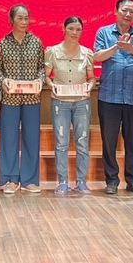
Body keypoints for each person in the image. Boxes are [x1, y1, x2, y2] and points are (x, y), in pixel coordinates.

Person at [94, 0, 133, 195]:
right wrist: (116, 47)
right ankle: (111, 180)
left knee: (132, 140)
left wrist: (131, 49)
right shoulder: (104, 32)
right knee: (109, 140)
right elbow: (97, 56)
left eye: (132, 12)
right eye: (124, 10)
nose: (128, 14)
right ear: (116, 11)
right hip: (108, 96)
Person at [0, 4, 45, 194]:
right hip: (10, 100)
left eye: (26, 18)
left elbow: (41, 68)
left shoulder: (36, 42)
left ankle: (29, 180)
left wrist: (40, 80)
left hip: (32, 99)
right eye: (20, 18)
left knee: (31, 138)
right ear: (11, 20)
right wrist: (3, 81)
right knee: (8, 139)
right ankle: (10, 179)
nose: (24, 22)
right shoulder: (3, 44)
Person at [45, 16, 96, 196]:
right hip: (60, 102)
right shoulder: (52, 52)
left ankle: (81, 181)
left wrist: (90, 86)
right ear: (64, 29)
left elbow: (91, 77)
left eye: (78, 29)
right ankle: (63, 181)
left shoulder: (87, 53)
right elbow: (46, 75)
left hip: (81, 102)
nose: (75, 33)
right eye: (71, 28)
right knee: (61, 143)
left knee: (82, 142)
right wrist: (51, 85)